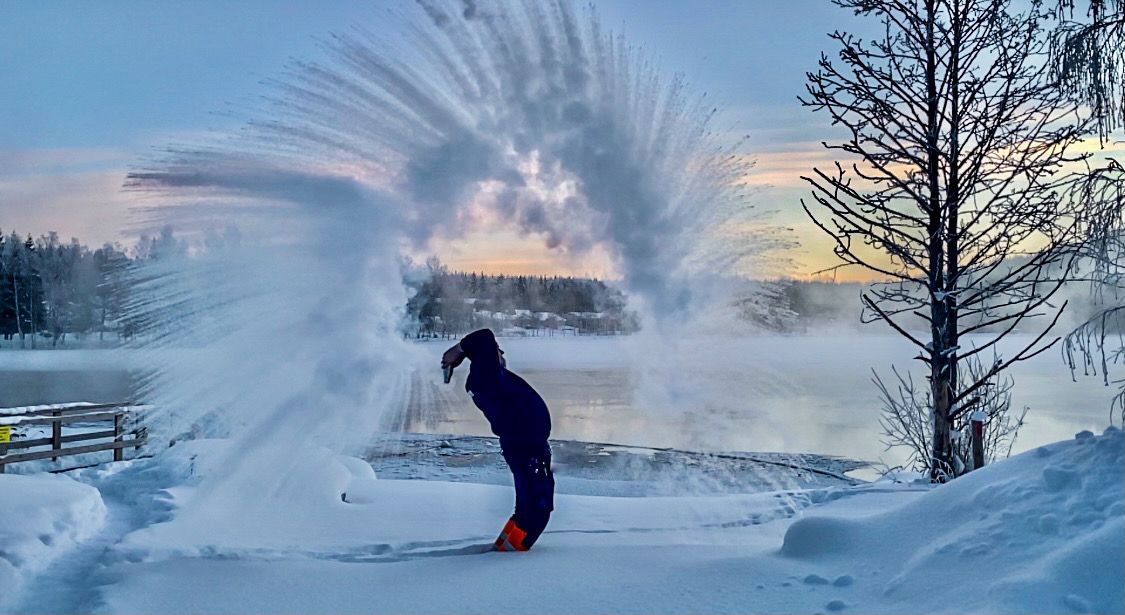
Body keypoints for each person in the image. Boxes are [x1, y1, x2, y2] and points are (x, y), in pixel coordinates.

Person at [441, 328, 554, 551]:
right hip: (525, 447)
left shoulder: (488, 378)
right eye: (497, 352)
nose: (501, 353)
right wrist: (457, 351)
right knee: (537, 507)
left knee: (528, 506)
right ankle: (511, 553)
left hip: (525, 446)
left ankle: (503, 548)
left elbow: (484, 344)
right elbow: (484, 337)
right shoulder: (486, 377)